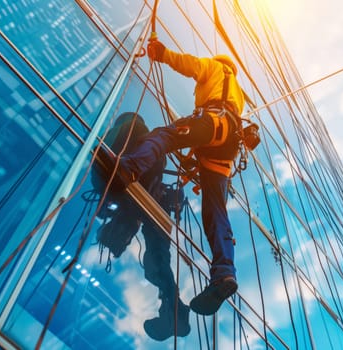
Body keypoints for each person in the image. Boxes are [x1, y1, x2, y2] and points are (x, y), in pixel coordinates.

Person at [119, 39, 245, 315]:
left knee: (163, 135)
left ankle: (129, 166)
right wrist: (190, 160)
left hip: (213, 123)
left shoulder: (215, 68)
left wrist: (163, 54)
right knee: (215, 212)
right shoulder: (239, 95)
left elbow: (189, 64)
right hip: (225, 150)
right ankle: (224, 273)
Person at [92, 112, 190, 341]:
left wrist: (107, 205)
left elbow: (104, 172)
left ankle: (172, 304)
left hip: (133, 189)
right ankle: (172, 304)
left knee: (153, 256)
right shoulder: (147, 139)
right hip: (147, 197)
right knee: (157, 256)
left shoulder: (122, 133)